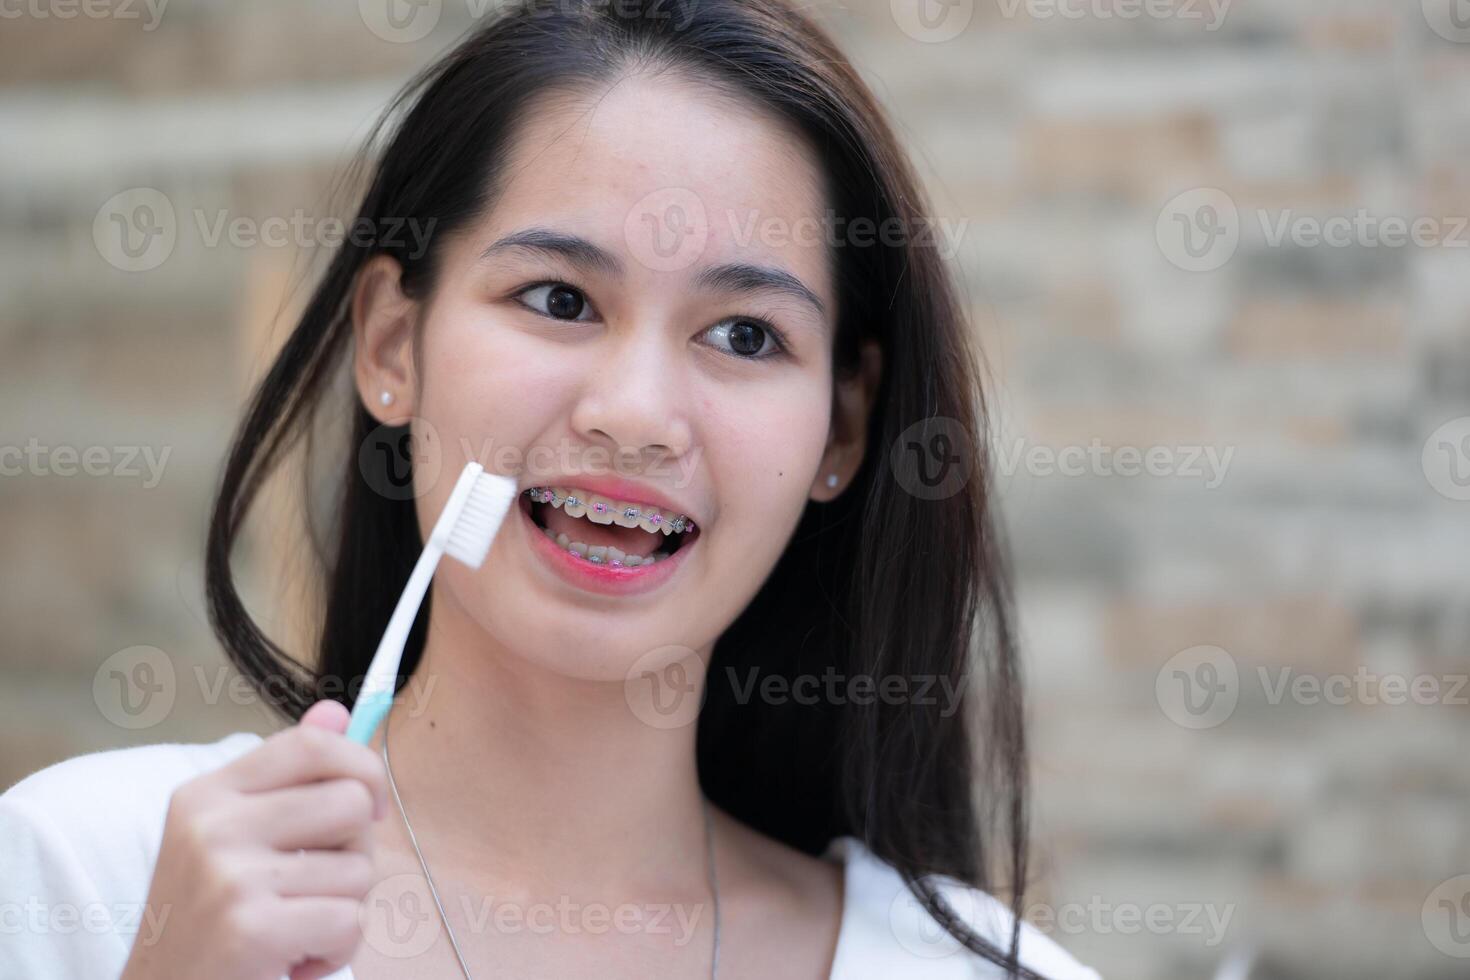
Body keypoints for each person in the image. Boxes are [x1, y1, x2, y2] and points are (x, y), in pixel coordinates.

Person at [0, 1, 1100, 977]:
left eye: (744, 333)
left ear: (842, 427)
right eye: (560, 299)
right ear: (392, 343)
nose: (634, 412)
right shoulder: (86, 878)